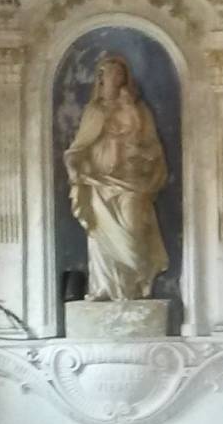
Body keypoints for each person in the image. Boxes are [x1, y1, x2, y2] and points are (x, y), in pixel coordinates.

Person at [64, 53, 170, 301]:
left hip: (131, 182)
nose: (117, 77)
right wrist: (74, 168)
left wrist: (139, 149)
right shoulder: (94, 111)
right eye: (111, 73)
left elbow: (154, 148)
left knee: (134, 230)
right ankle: (104, 288)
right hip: (98, 184)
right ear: (101, 78)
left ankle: (134, 288)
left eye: (120, 73)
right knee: (100, 236)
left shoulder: (139, 110)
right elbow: (78, 148)